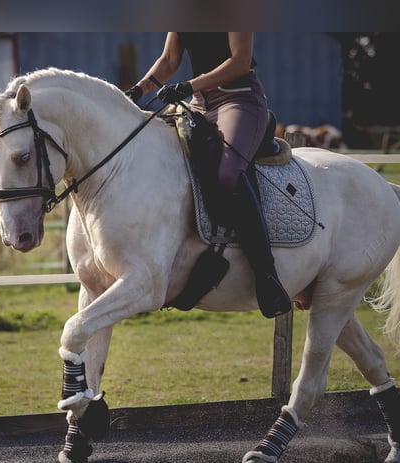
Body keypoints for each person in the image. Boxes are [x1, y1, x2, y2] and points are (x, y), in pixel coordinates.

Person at [125, 32, 291, 318]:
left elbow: (239, 63)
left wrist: (188, 85)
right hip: (200, 103)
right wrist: (136, 92)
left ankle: (267, 276)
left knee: (228, 175)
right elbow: (168, 61)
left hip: (239, 100)